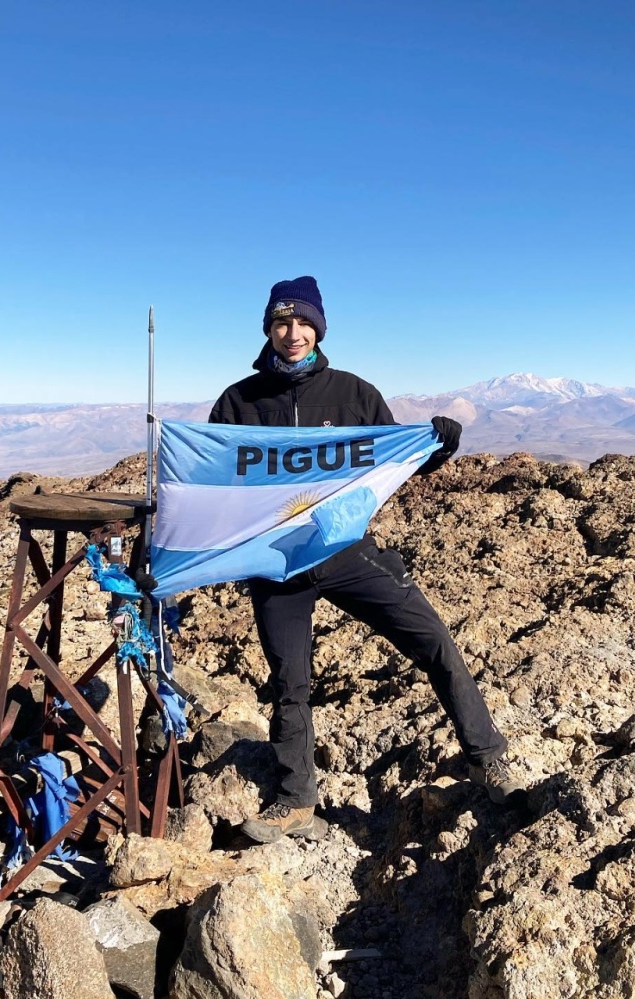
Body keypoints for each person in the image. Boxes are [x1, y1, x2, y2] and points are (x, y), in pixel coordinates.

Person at [209, 276, 524, 843]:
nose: (293, 333)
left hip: (346, 551)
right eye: (282, 323)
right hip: (277, 564)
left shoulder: (353, 393)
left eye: (304, 322)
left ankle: (485, 754)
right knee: (289, 682)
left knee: (432, 641)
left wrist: (435, 448)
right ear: (268, 330)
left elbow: (389, 461)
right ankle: (295, 798)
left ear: (319, 328)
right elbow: (212, 481)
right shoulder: (239, 401)